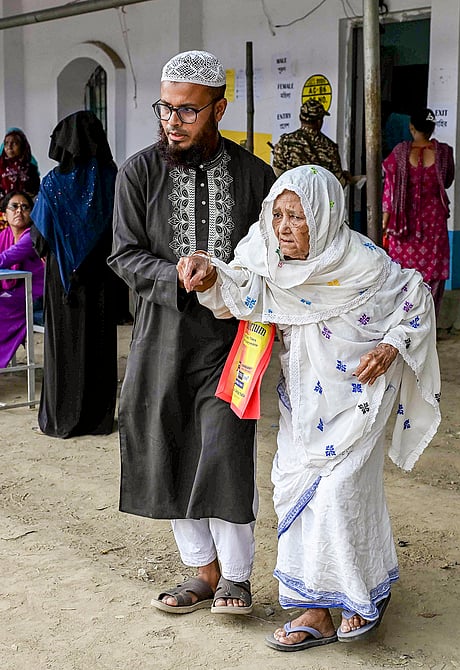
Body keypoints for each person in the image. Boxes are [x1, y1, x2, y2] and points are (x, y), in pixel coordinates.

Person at [178, 164, 441, 650]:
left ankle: (343, 601)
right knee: (293, 491)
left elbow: (416, 298)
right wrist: (210, 272)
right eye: (276, 214)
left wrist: (391, 346)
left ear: (322, 216)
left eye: (296, 216)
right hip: (305, 399)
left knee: (343, 493)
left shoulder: (363, 262)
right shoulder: (267, 258)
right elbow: (239, 285)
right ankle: (320, 604)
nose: (283, 227)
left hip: (360, 396)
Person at [108, 50, 276, 614]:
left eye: (187, 112)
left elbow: (273, 257)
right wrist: (174, 271)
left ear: (219, 108)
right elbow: (124, 255)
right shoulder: (138, 172)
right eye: (165, 109)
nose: (172, 122)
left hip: (235, 341)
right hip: (163, 335)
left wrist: (227, 276)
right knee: (170, 442)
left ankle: (237, 575)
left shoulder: (255, 175)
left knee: (226, 448)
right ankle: (200, 571)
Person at [30, 111, 118, 438]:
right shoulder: (112, 178)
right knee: (97, 343)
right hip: (101, 278)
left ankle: (61, 417)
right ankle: (97, 419)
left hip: (62, 281)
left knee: (63, 347)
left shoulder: (52, 184)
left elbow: (40, 238)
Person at [382, 108, 455, 319]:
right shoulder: (444, 154)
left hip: (404, 226)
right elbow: (447, 180)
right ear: (433, 128)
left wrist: (385, 222)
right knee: (433, 275)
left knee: (403, 275)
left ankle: (404, 320)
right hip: (434, 225)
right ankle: (428, 321)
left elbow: (389, 189)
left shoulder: (399, 153)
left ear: (411, 128)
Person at [0, 190, 44, 368]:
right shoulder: (3, 236)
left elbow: (4, 259)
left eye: (25, 207)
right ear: (5, 213)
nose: (19, 211)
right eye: (14, 206)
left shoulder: (31, 236)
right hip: (13, 295)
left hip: (36, 298)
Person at [273, 99, 351, 186]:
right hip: (321, 198)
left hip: (293, 197)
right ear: (319, 121)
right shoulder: (329, 146)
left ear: (300, 118)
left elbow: (277, 176)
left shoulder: (285, 142)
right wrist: (347, 178)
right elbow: (338, 182)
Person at [0, 128, 40, 203]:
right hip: (3, 208)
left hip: (25, 207)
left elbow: (35, 189)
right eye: (6, 143)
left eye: (14, 143)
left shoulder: (30, 168)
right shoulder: (1, 166)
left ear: (22, 146)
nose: (9, 146)